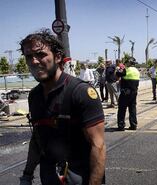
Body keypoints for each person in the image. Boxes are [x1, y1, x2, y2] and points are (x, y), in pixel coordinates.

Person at [18, 29, 105, 185]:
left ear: (58, 57)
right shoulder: (34, 95)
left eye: (41, 54)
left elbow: (98, 146)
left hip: (81, 178)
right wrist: (27, 175)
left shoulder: (81, 92)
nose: (34, 61)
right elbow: (37, 139)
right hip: (49, 177)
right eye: (29, 56)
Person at [116, 58, 140, 131]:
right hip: (134, 92)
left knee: (122, 109)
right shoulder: (136, 71)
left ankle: (121, 125)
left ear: (129, 63)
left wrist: (121, 67)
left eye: (126, 63)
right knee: (132, 108)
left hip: (125, 92)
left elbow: (118, 74)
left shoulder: (127, 69)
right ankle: (133, 125)